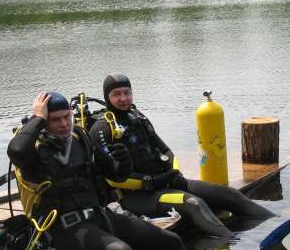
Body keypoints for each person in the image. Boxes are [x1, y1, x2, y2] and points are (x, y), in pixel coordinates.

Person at [7, 91, 188, 250]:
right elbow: (16, 151)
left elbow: (114, 175)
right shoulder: (34, 149)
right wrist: (37, 117)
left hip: (98, 216)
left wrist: (123, 163)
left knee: (171, 241)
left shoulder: (80, 137)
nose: (64, 124)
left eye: (67, 116)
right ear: (43, 122)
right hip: (62, 230)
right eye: (55, 120)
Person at [89, 73, 273, 238]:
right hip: (135, 197)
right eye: (116, 94)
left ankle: (274, 222)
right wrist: (152, 182)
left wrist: (175, 173)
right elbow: (114, 179)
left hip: (165, 182)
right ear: (107, 97)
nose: (123, 98)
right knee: (193, 203)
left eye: (126, 93)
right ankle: (233, 245)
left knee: (229, 194)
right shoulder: (102, 129)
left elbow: (165, 150)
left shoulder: (137, 117)